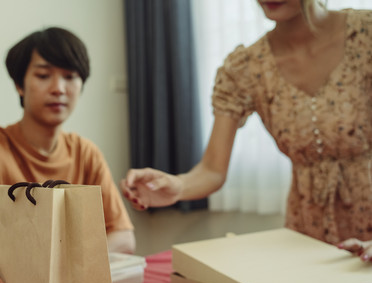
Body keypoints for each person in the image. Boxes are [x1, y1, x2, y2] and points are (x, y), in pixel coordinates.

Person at [121, 1, 372, 261]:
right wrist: (177, 186)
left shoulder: (365, 35)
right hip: (306, 235)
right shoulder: (246, 67)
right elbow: (212, 170)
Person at [0, 27, 135, 283]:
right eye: (43, 75)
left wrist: (61, 265)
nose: (59, 88)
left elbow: (123, 237)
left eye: (70, 76)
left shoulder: (85, 152)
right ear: (19, 85)